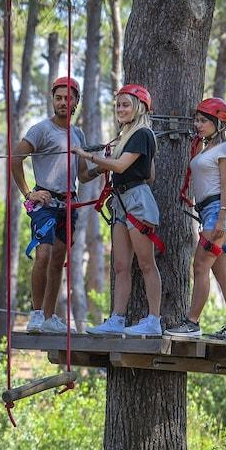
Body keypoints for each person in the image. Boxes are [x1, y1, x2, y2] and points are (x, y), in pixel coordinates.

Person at [10, 77, 100, 334]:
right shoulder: (41, 129)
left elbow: (81, 175)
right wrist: (29, 193)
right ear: (53, 100)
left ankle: (50, 316)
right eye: (58, 98)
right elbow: (15, 158)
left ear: (75, 102)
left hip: (67, 203)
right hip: (45, 202)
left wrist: (102, 168)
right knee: (44, 254)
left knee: (59, 258)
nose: (63, 102)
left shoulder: (78, 134)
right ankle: (37, 314)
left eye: (68, 98)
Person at [73, 84, 163, 336]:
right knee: (121, 266)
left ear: (139, 107)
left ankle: (154, 320)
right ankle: (117, 318)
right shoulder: (127, 136)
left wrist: (87, 155)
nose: (120, 109)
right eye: (118, 105)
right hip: (123, 200)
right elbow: (151, 173)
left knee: (146, 263)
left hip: (136, 201)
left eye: (126, 104)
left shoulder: (142, 134)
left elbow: (121, 167)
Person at [166, 98, 226, 340]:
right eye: (197, 120)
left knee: (200, 266)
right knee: (222, 275)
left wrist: (220, 220)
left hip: (217, 213)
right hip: (208, 213)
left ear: (218, 123)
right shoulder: (206, 148)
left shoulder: (224, 150)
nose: (198, 124)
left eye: (204, 121)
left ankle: (192, 323)